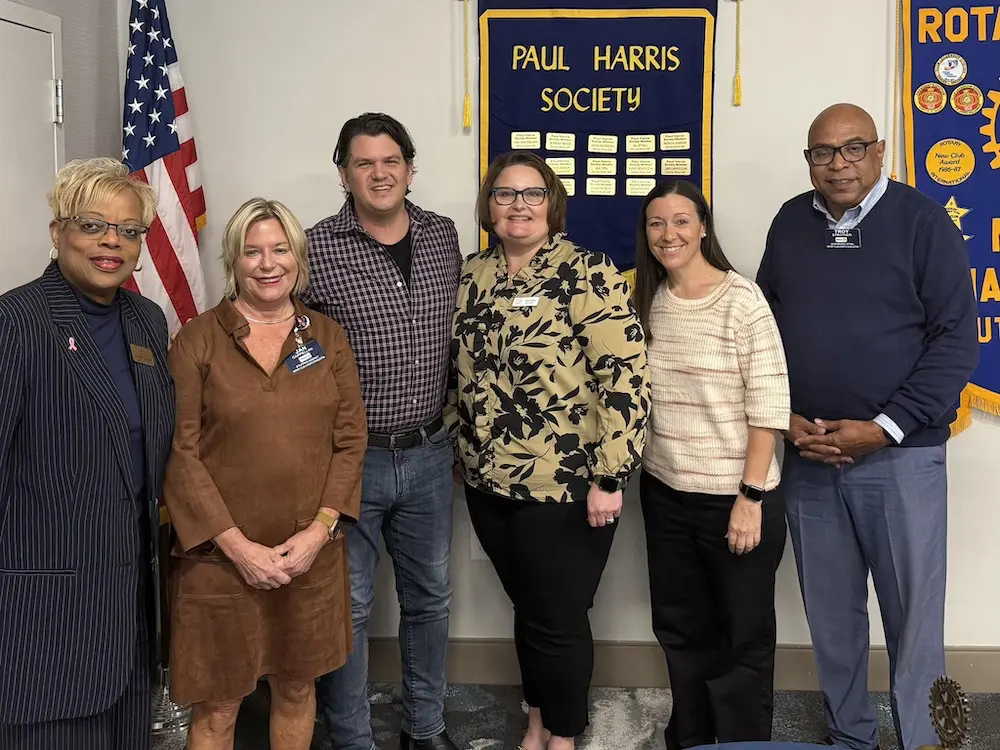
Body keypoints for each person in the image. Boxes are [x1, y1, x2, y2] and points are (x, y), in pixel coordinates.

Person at [756, 103, 979, 750]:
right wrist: (786, 417)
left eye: (853, 149)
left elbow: (956, 341)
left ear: (879, 152)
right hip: (810, 458)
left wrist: (884, 427)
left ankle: (923, 741)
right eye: (823, 153)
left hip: (900, 461)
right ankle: (850, 736)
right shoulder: (791, 222)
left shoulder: (920, 221)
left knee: (914, 626)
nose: (838, 164)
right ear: (809, 161)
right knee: (832, 620)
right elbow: (765, 329)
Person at [448, 150, 649, 750]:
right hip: (487, 481)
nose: (518, 205)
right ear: (489, 205)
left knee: (557, 619)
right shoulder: (472, 273)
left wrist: (611, 477)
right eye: (506, 194)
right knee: (531, 611)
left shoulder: (586, 272)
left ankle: (564, 735)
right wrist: (463, 447)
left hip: (566, 483)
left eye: (532, 193)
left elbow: (625, 375)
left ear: (552, 204)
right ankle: (537, 721)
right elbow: (459, 370)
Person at [162, 198, 367, 750]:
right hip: (219, 564)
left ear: (299, 258)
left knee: (298, 690)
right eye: (252, 252)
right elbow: (180, 453)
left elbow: (350, 443)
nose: (267, 263)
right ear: (233, 261)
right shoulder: (197, 341)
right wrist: (238, 548)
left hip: (308, 558)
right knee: (218, 707)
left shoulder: (327, 338)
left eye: (280, 250)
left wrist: (317, 531)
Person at [0, 157, 173, 749]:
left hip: (130, 616)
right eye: (94, 225)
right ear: (57, 233)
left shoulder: (147, 322)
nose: (112, 243)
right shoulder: (16, 321)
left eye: (129, 231)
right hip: (44, 618)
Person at [304, 113, 463, 750]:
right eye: (364, 162)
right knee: (352, 607)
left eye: (390, 160)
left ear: (410, 167)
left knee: (430, 599)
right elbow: (295, 344)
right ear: (343, 172)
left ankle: (424, 728)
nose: (379, 173)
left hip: (429, 451)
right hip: (351, 461)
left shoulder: (442, 235)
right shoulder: (314, 245)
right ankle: (351, 737)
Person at [631, 179, 790, 749]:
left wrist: (750, 499)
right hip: (666, 493)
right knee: (680, 630)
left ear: (703, 227)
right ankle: (692, 739)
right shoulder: (645, 300)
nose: (668, 234)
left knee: (740, 638)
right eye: (656, 223)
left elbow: (769, 407)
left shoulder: (742, 300)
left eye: (680, 221)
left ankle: (741, 744)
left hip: (736, 499)